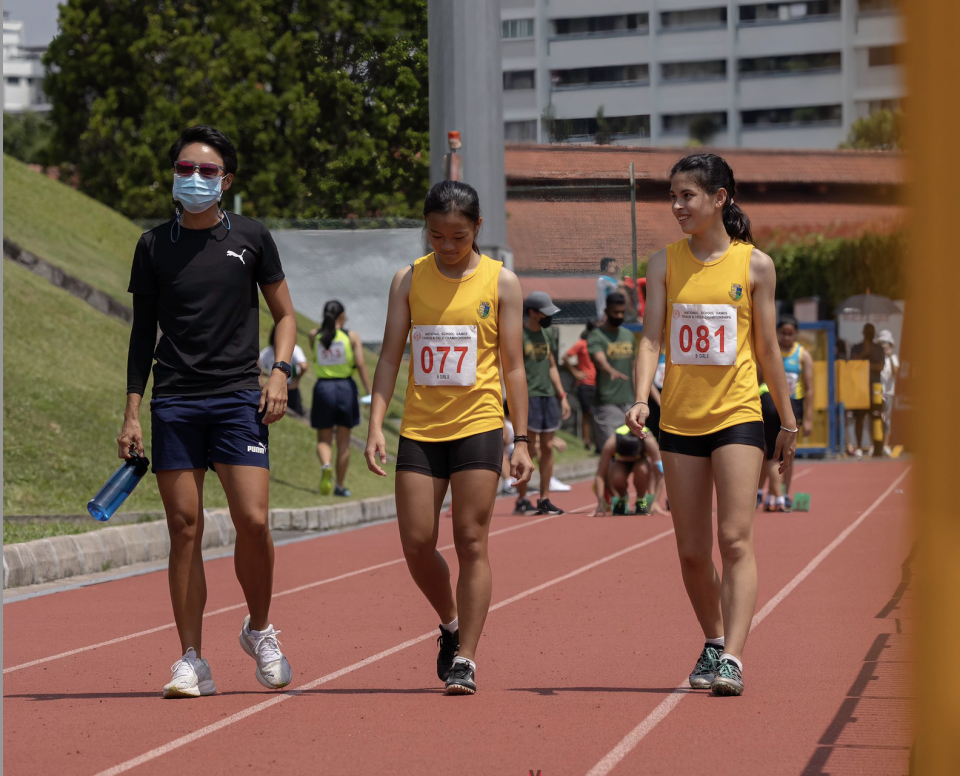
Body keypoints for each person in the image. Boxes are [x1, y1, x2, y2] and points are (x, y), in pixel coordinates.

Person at [119, 125, 294, 698]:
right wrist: (131, 414)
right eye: (186, 168)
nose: (195, 178)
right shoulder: (153, 245)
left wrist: (278, 373)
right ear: (172, 174)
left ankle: (260, 629)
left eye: (208, 171)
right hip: (175, 401)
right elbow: (143, 334)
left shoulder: (252, 237)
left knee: (254, 521)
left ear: (227, 179)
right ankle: (192, 659)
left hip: (238, 397)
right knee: (184, 527)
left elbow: (286, 316)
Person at [626, 152, 797, 697]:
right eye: (672, 196)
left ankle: (734, 659)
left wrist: (787, 421)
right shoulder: (663, 263)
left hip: (739, 414)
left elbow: (767, 347)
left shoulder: (755, 265)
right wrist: (640, 399)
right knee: (693, 551)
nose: (676, 206)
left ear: (719, 197)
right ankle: (714, 637)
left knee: (735, 538)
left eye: (687, 196)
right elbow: (651, 338)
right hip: (678, 418)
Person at [364, 180, 534, 696]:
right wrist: (375, 422)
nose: (446, 246)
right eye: (436, 235)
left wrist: (520, 438)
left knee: (471, 540)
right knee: (416, 544)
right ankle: (450, 622)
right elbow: (391, 355)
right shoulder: (408, 280)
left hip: (479, 424)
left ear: (477, 228)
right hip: (420, 427)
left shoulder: (501, 283)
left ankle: (466, 659)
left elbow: (514, 366)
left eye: (457, 236)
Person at [513, 292, 571, 516]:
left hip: (548, 397)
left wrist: (562, 395)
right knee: (529, 448)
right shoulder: (519, 334)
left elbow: (552, 366)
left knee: (547, 448)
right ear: (532, 313)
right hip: (528, 397)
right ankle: (521, 498)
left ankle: (544, 498)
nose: (548, 317)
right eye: (544, 313)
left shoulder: (547, 334)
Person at [308, 300, 371, 497]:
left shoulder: (313, 335)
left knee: (323, 439)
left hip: (323, 388)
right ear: (342, 317)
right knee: (343, 442)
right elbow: (360, 363)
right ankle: (340, 485)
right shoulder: (351, 336)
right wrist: (369, 391)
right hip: (345, 388)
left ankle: (326, 464)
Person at [588, 291, 637, 445]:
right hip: (607, 402)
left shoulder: (628, 335)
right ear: (606, 311)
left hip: (629, 402)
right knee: (611, 450)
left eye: (622, 312)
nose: (620, 316)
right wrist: (611, 371)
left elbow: (634, 368)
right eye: (615, 312)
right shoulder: (597, 336)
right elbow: (599, 359)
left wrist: (639, 397)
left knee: (632, 449)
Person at [776, 315, 814, 508]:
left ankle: (785, 492)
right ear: (778, 333)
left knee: (788, 452)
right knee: (766, 451)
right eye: (783, 333)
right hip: (771, 404)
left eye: (791, 334)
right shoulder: (771, 351)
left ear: (796, 334)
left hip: (794, 405)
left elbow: (809, 388)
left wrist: (808, 419)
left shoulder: (802, 355)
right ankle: (764, 493)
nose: (787, 337)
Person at [592, 425, 667, 516]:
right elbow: (600, 474)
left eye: (631, 458)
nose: (629, 460)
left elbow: (660, 473)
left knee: (642, 470)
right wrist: (600, 502)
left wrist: (655, 501)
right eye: (627, 458)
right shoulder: (611, 444)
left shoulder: (649, 442)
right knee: (617, 476)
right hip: (619, 462)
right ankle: (622, 498)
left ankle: (641, 499)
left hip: (642, 461)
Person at [848, 323, 885, 456]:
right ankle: (858, 446)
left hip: (874, 389)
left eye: (871, 331)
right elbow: (852, 364)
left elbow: (880, 366)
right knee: (859, 418)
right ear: (863, 332)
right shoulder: (856, 347)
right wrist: (865, 353)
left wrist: (865, 364)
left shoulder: (879, 349)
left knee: (876, 417)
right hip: (860, 388)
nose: (868, 333)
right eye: (867, 330)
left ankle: (877, 447)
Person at [562, 321, 598, 450]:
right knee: (586, 413)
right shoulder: (582, 343)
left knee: (597, 413)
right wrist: (575, 372)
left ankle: (598, 442)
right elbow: (565, 357)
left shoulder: (598, 344)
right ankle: (587, 442)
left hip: (597, 383)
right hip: (585, 384)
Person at [259, 325, 308, 416]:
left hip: (289, 388)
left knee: (296, 414)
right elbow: (257, 363)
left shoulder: (294, 349)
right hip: (274, 387)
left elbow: (304, 366)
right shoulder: (269, 351)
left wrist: (295, 381)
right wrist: (261, 381)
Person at [878, 329, 900, 456]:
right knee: (876, 419)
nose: (884, 346)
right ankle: (875, 445)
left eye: (886, 343)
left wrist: (890, 356)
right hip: (878, 393)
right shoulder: (877, 357)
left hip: (889, 393)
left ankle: (885, 445)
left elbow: (896, 373)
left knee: (887, 420)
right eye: (882, 343)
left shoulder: (894, 358)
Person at [596, 257, 621, 321]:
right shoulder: (603, 280)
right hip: (606, 312)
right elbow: (616, 286)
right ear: (607, 267)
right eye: (612, 265)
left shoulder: (612, 279)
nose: (615, 267)